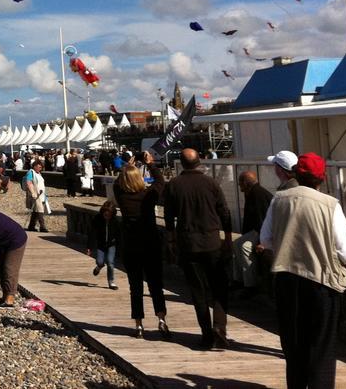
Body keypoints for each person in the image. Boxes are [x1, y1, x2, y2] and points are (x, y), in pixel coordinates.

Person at [260, 153, 346, 389]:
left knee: (293, 345)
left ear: (297, 174)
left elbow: (266, 239)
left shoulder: (279, 200)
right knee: (322, 347)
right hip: (320, 282)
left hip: (286, 280)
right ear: (321, 178)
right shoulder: (329, 204)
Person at [164, 148, 233, 350]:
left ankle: (206, 335)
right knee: (220, 287)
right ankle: (219, 326)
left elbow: (169, 216)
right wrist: (228, 237)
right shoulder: (210, 183)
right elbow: (224, 212)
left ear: (182, 163)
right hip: (212, 241)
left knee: (198, 291)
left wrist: (171, 239)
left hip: (188, 243)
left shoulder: (174, 185)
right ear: (199, 162)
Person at [113, 151, 169, 339]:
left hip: (131, 246)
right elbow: (160, 181)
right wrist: (151, 164)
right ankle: (161, 319)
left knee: (135, 287)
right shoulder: (149, 195)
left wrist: (127, 165)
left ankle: (139, 324)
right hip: (150, 243)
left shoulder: (123, 197)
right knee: (155, 285)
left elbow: (116, 184)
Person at [232, 171, 273, 295]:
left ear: (246, 183)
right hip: (257, 230)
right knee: (236, 243)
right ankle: (238, 279)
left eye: (240, 184)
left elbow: (262, 220)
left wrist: (262, 242)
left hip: (262, 232)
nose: (240, 187)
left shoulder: (257, 195)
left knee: (245, 247)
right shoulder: (253, 193)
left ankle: (251, 285)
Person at [88, 200, 120, 290]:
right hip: (101, 244)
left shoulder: (115, 221)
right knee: (100, 261)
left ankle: (111, 282)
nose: (107, 216)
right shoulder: (97, 219)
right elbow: (92, 233)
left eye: (109, 215)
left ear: (112, 214)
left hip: (111, 244)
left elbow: (119, 235)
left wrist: (119, 244)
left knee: (110, 262)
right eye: (105, 214)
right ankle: (99, 267)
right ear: (103, 212)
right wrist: (89, 247)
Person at [23, 161, 48, 233]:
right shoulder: (31, 172)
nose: (40, 168)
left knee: (35, 211)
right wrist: (33, 192)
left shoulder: (38, 173)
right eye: (39, 167)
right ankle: (42, 227)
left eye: (41, 167)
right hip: (35, 195)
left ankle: (31, 226)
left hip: (41, 195)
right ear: (35, 166)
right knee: (40, 210)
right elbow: (29, 182)